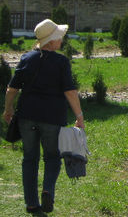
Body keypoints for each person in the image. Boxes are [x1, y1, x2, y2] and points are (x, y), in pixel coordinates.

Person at [2, 19, 84, 214]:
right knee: (52, 157)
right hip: (52, 117)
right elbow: (70, 92)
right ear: (51, 41)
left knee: (29, 159)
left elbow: (12, 88)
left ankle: (31, 203)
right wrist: (79, 116)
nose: (61, 42)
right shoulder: (61, 62)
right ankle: (48, 190)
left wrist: (8, 109)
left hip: (27, 116)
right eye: (59, 38)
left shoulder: (26, 58)